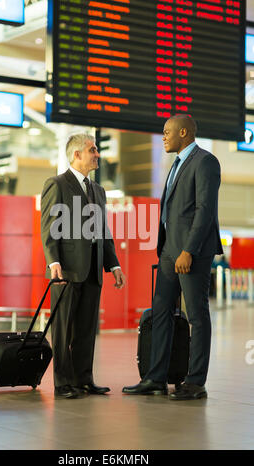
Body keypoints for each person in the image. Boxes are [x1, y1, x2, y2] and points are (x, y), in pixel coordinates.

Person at [122, 114, 223, 400]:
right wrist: (170, 248)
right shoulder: (177, 164)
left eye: (167, 132)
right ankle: (155, 377)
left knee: (197, 314)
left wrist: (188, 250)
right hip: (168, 251)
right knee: (161, 312)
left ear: (184, 132)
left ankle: (195, 381)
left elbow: (205, 211)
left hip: (191, 252)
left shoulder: (205, 162)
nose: (163, 136)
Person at [41, 133, 125, 399]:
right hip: (66, 270)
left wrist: (114, 265)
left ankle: (84, 379)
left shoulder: (98, 191)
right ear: (76, 154)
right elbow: (50, 226)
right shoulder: (57, 184)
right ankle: (63, 383)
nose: (97, 154)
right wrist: (53, 261)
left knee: (87, 329)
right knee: (63, 329)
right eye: (92, 150)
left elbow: (104, 231)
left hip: (92, 269)